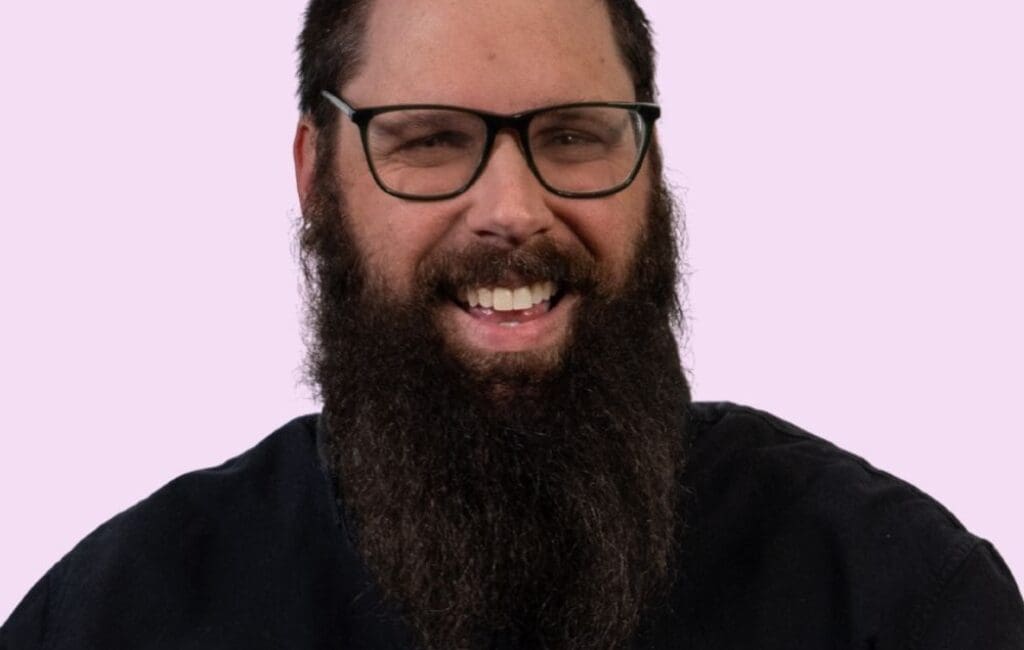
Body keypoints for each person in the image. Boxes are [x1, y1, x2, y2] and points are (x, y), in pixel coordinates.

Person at [3, 0, 1022, 648]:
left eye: (573, 136)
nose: (513, 209)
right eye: (430, 140)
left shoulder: (892, 598)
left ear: (650, 170)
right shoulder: (118, 618)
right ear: (316, 179)